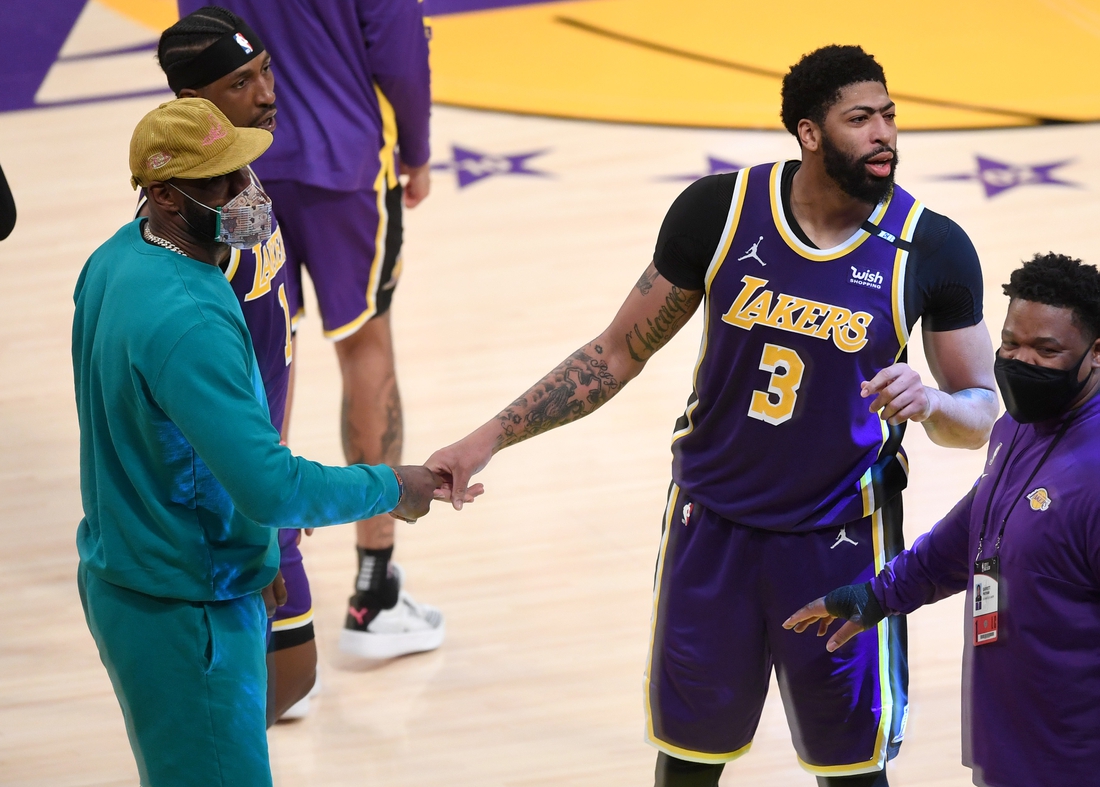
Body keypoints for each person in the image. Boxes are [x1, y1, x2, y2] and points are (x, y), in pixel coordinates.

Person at [427, 45, 999, 787]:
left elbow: (980, 411)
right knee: (689, 765)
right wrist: (489, 436)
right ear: (810, 133)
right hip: (712, 530)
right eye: (860, 119)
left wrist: (932, 404)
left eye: (889, 116)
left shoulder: (933, 247)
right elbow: (615, 352)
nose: (884, 133)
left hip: (841, 540)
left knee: (852, 772)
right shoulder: (721, 212)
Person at [72, 97, 472, 787]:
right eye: (218, 182)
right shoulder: (190, 316)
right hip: (188, 604)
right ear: (164, 195)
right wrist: (394, 485)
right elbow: (272, 485)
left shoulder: (114, 260)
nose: (243, 191)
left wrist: (254, 551)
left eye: (242, 169)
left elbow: (155, 437)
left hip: (135, 571)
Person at [175, 0, 439, 660]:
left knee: (261, 359)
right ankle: (373, 592)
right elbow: (401, 52)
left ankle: (272, 609)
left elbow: (192, 51)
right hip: (344, 161)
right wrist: (417, 149)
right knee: (366, 345)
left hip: (241, 170)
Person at [785, 252, 1100, 787]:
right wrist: (880, 595)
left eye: (1047, 350)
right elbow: (979, 527)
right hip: (1007, 744)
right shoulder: (1021, 426)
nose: (1021, 361)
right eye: (1011, 343)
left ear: (1095, 354)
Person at [146, 5, 312, 723]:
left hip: (265, 471)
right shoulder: (192, 226)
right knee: (265, 695)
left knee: (286, 686)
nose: (268, 93)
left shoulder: (244, 176)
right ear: (192, 103)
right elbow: (200, 389)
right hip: (234, 498)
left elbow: (279, 334)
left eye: (267, 71)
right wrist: (253, 517)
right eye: (242, 82)